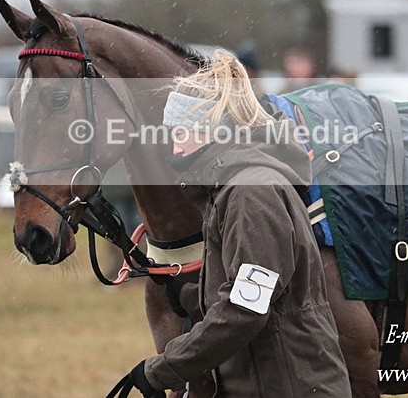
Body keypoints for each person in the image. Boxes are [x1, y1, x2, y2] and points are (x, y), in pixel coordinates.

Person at [123, 51, 351, 397]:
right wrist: (187, 296)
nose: (175, 147)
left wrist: (162, 370)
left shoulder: (250, 193)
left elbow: (246, 310)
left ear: (212, 129)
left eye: (181, 133)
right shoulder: (233, 188)